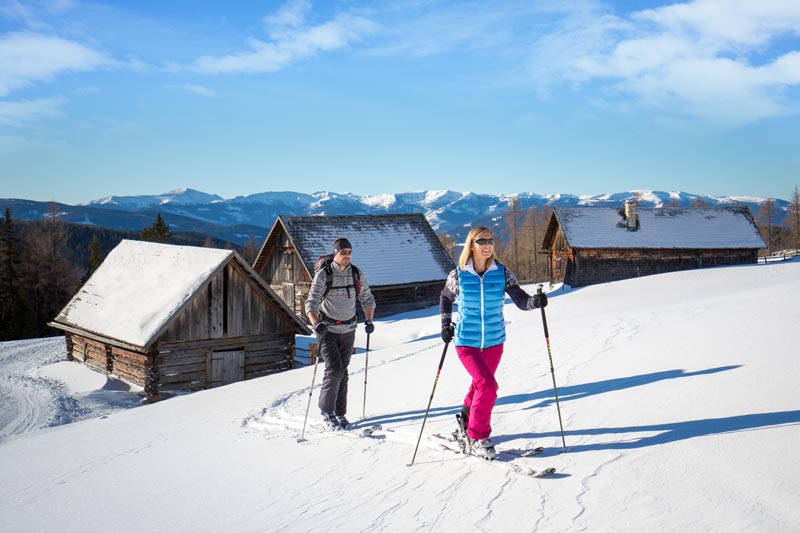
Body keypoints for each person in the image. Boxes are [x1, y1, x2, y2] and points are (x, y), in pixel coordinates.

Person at [439, 226, 548, 459]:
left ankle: (465, 424)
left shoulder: (502, 272)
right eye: (481, 241)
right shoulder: (458, 275)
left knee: (479, 385)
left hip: (494, 341)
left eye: (490, 240)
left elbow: (521, 300)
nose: (487, 245)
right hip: (466, 342)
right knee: (487, 386)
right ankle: (478, 436)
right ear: (471, 244)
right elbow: (445, 298)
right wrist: (445, 324)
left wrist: (535, 302)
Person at [306, 237, 376, 431]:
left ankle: (339, 413)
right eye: (343, 252)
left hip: (349, 329)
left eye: (349, 252)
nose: (347, 256)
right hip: (327, 330)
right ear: (335, 253)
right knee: (334, 369)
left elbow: (367, 298)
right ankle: (325, 411)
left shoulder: (356, 274)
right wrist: (316, 323)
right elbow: (311, 302)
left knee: (343, 371)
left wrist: (369, 320)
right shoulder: (324, 275)